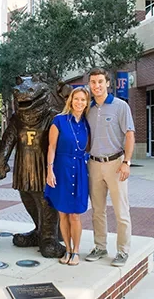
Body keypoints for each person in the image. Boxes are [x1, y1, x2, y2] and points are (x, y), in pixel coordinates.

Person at [85, 67, 135, 267]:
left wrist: (126, 162)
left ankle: (123, 251)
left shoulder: (120, 106)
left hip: (116, 164)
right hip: (94, 164)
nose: (96, 85)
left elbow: (130, 134)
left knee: (121, 211)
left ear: (107, 83)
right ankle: (100, 246)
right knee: (97, 210)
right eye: (93, 82)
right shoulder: (88, 109)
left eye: (100, 81)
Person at [45, 87, 90, 266]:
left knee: (75, 215)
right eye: (76, 99)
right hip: (61, 169)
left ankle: (76, 251)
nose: (79, 102)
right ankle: (68, 250)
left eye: (83, 100)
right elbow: (51, 148)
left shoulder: (87, 123)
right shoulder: (59, 121)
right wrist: (49, 171)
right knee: (63, 214)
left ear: (87, 103)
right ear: (70, 100)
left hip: (79, 170)